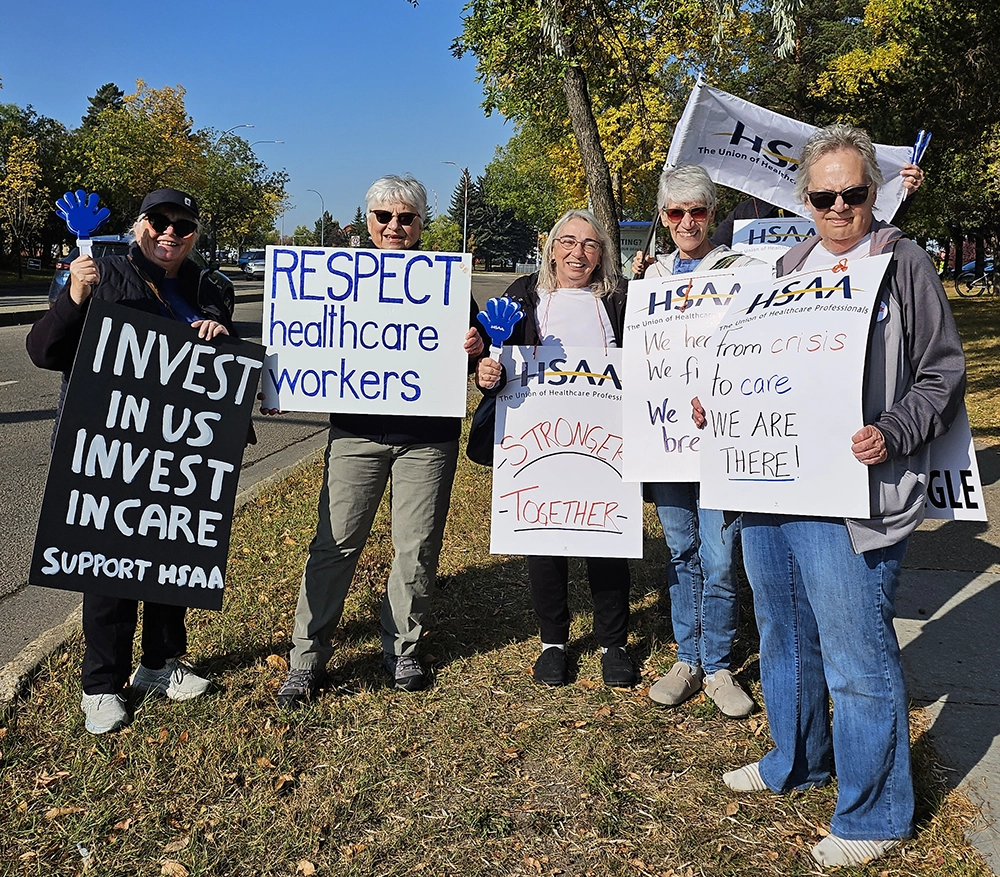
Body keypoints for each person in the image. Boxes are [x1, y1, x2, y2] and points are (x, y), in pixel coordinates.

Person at [700, 124, 965, 867]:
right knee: (784, 634)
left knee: (857, 656)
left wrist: (895, 430)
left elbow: (943, 373)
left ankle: (876, 813)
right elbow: (754, 364)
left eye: (853, 192)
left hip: (855, 494)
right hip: (773, 487)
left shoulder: (900, 262)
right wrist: (718, 406)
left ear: (872, 194)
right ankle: (798, 759)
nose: (839, 206)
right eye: (824, 195)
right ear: (805, 198)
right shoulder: (784, 264)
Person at [26, 188, 234, 735]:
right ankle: (101, 685)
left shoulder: (208, 288)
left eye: (183, 225)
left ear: (195, 234)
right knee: (108, 571)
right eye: (158, 221)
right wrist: (73, 294)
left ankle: (159, 665)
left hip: (179, 449)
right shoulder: (99, 272)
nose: (170, 233)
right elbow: (44, 352)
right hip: (105, 447)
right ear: (138, 224)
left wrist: (218, 334)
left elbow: (218, 368)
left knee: (169, 561)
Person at [273, 174, 486, 705]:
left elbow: (481, 364)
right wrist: (283, 374)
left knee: (416, 548)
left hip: (428, 439)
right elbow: (311, 341)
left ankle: (403, 649)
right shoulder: (332, 277)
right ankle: (307, 657)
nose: (394, 226)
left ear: (420, 224)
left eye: (405, 217)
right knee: (334, 544)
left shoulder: (449, 284)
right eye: (383, 217)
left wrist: (476, 346)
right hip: (356, 434)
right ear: (367, 222)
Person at [475, 209, 635, 688]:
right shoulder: (523, 296)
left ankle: (613, 642)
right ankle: (553, 642)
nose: (577, 253)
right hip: (537, 436)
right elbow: (492, 357)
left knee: (609, 537)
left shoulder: (620, 300)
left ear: (602, 254)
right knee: (545, 539)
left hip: (605, 440)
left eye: (589, 244)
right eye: (567, 242)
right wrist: (488, 372)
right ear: (551, 247)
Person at [631, 166, 762, 719]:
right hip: (665, 440)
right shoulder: (649, 277)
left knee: (719, 555)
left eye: (698, 211)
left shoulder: (741, 270)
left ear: (713, 212)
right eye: (675, 212)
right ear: (662, 217)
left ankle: (718, 665)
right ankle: (687, 657)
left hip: (719, 436)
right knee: (681, 549)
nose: (687, 221)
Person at [710, 162, 925, 248]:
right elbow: (715, 250)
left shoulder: (829, 203)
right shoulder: (747, 211)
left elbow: (872, 224)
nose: (837, 205)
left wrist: (902, 193)